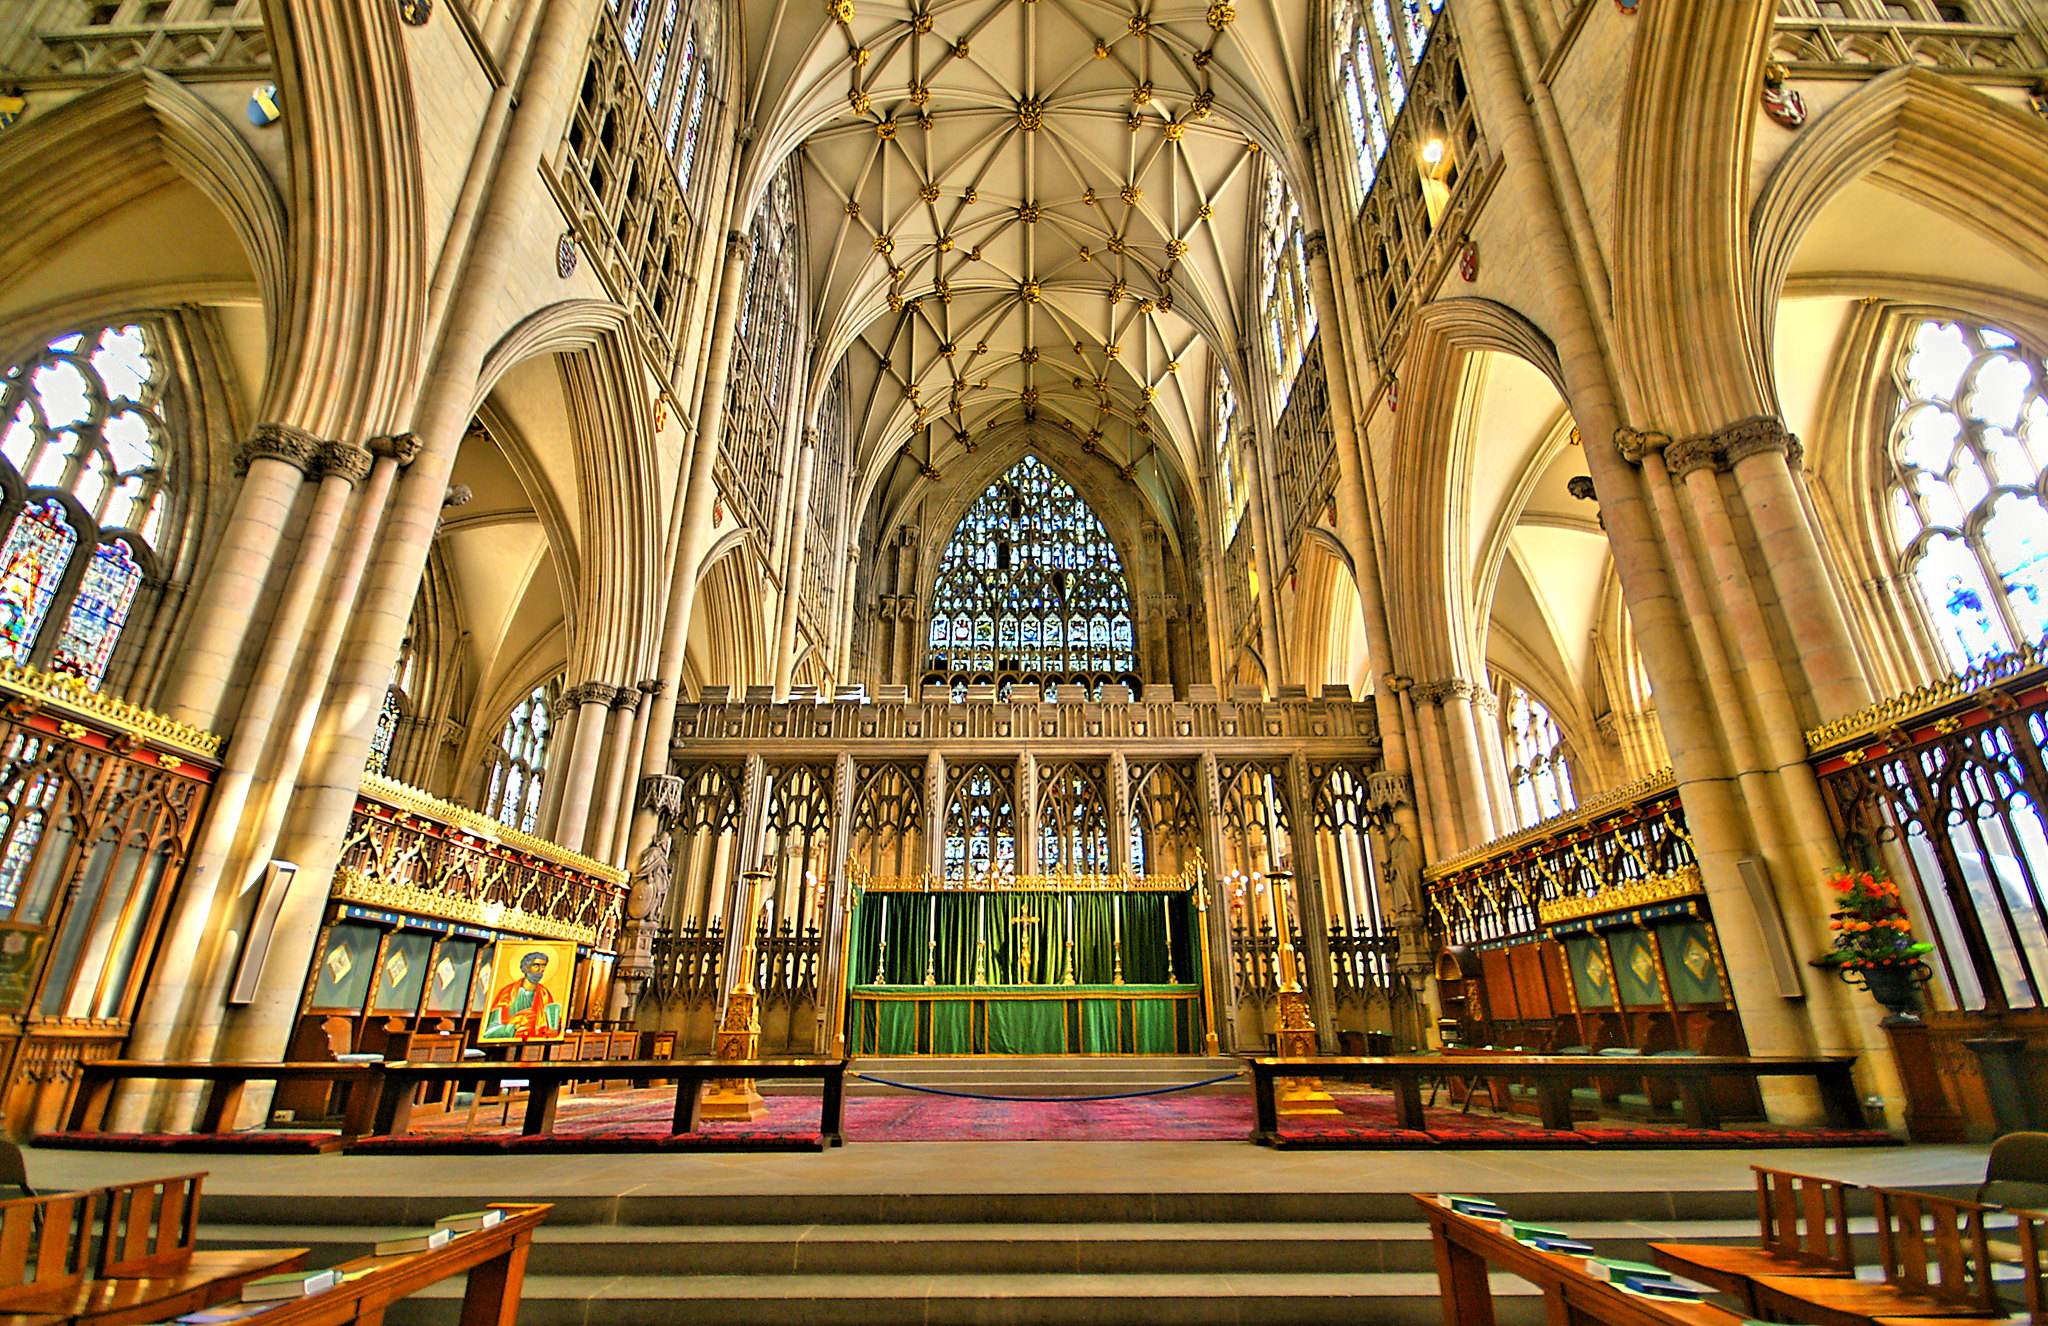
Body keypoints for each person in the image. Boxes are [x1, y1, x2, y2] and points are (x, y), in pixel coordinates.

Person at [481, 949, 563, 1041]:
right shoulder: (507, 993)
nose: (541, 970)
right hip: (508, 1044)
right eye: (536, 965)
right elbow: (489, 1032)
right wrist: (515, 1026)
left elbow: (552, 1025)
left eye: (543, 966)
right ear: (526, 967)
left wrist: (553, 1030)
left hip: (535, 1044)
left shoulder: (544, 994)